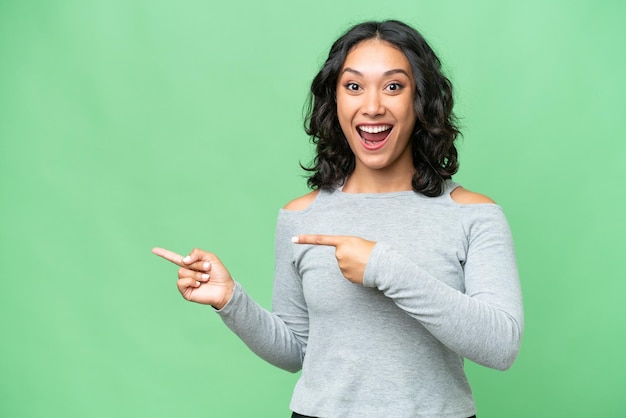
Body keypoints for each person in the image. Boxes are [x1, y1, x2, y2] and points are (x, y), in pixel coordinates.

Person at [152, 19, 523, 418]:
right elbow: (297, 350)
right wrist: (230, 301)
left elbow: (500, 346)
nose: (373, 105)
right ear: (335, 100)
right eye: (354, 86)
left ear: (420, 99)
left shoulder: (473, 214)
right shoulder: (301, 216)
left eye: (394, 86)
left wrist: (384, 268)